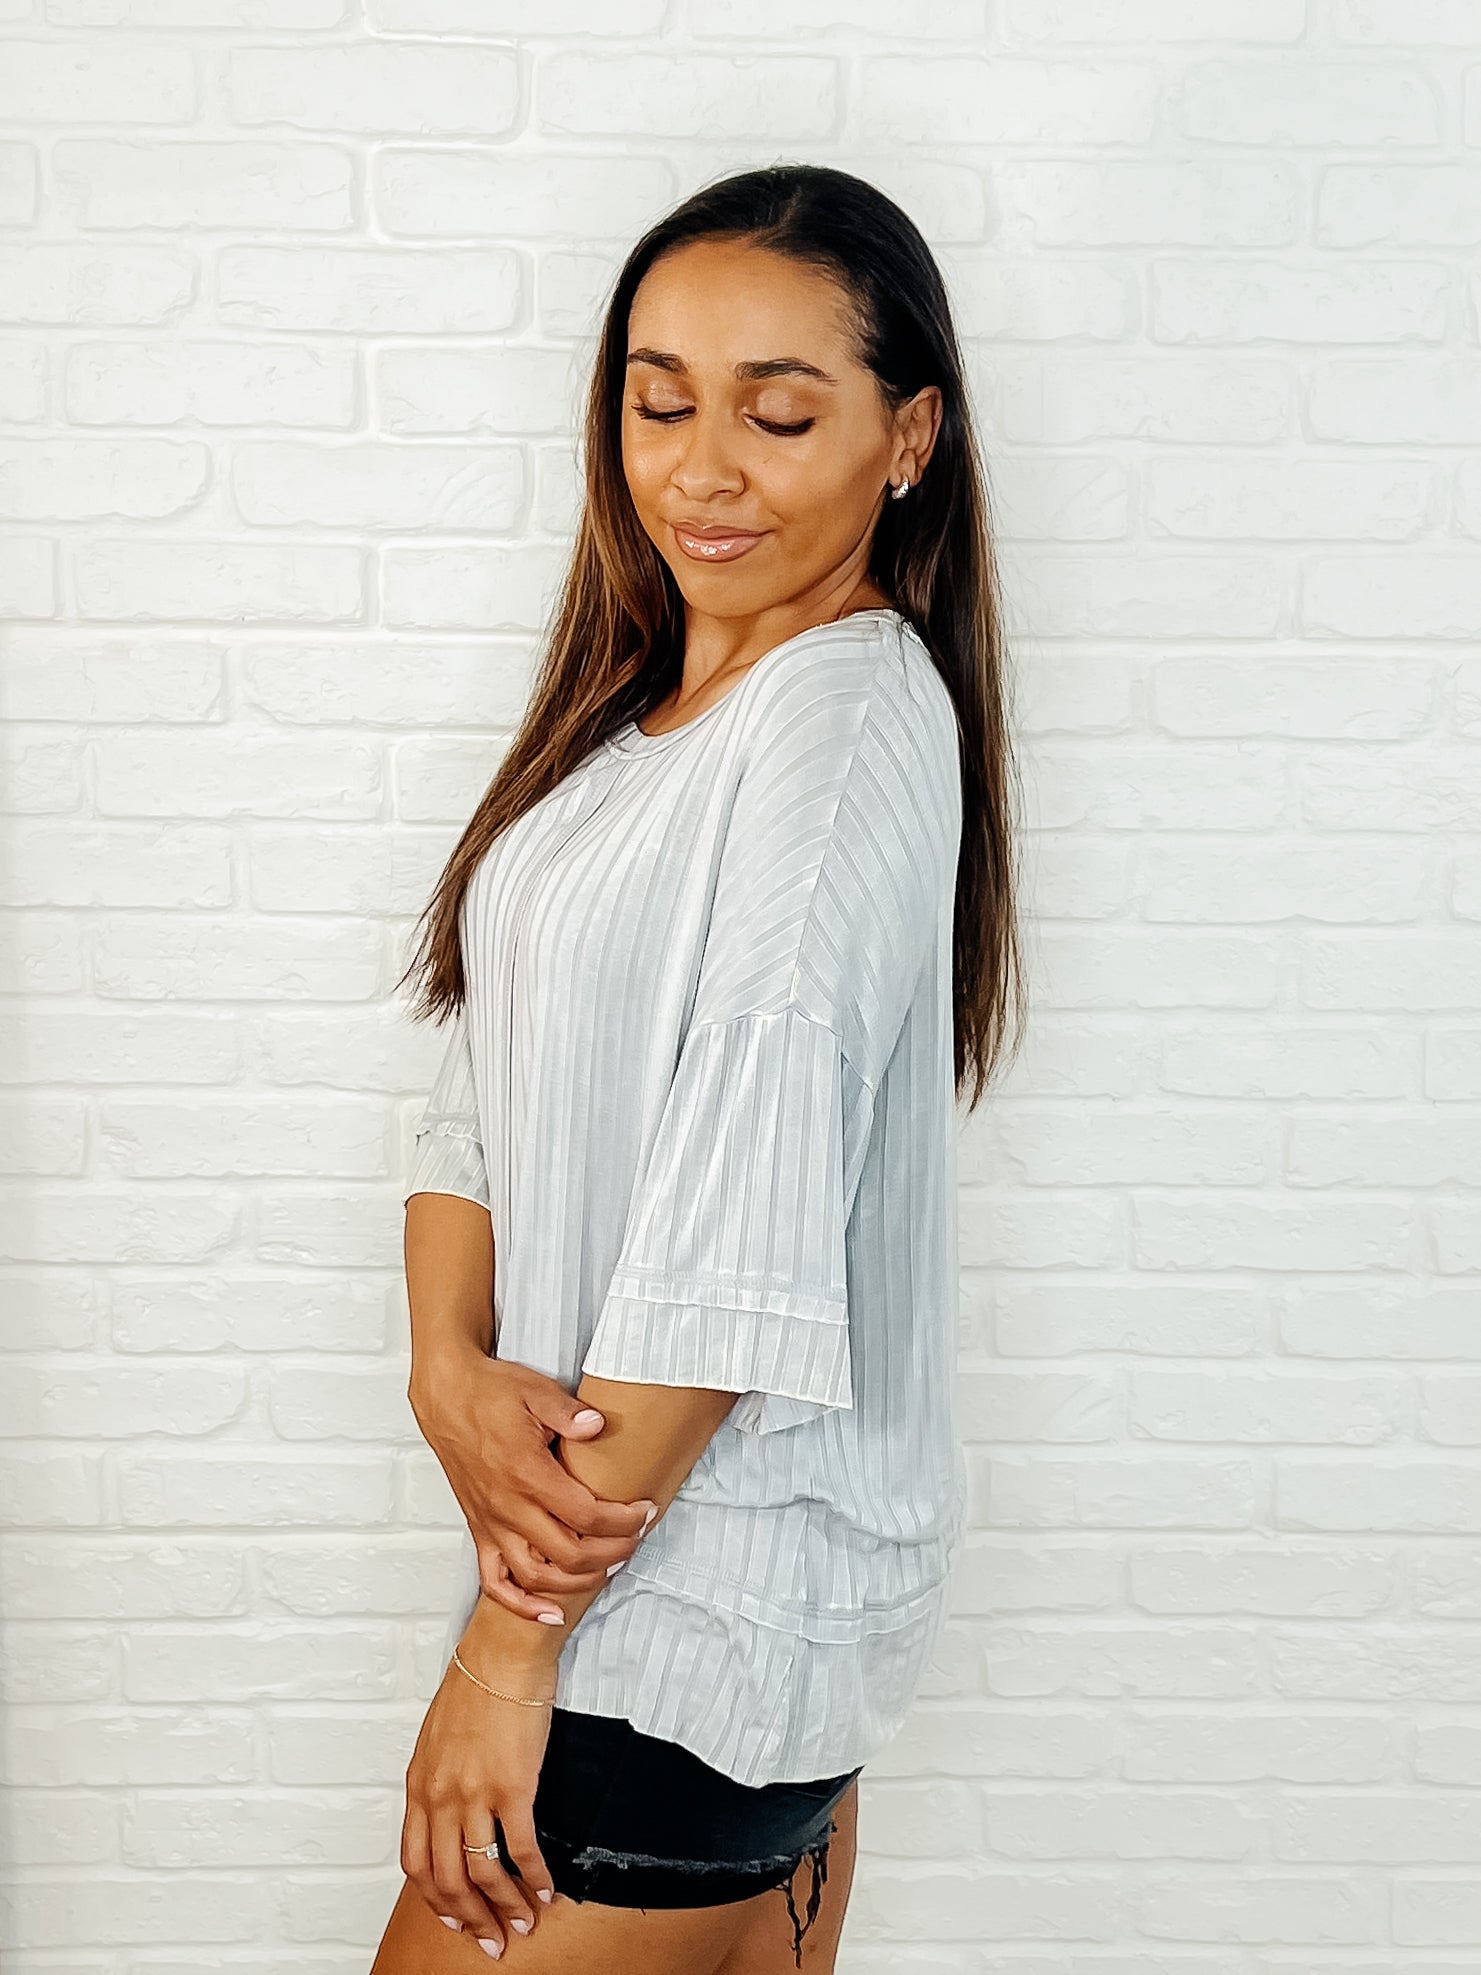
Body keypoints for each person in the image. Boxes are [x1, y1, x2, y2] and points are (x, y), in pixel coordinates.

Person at [371, 162, 1025, 1973]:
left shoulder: (840, 719)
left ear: (906, 438)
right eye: (660, 404)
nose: (703, 470)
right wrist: (443, 1365)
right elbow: (479, 1083)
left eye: (778, 414)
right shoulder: (635, 723)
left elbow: (736, 1233)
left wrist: (508, 1653)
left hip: (681, 1618)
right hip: (643, 1582)